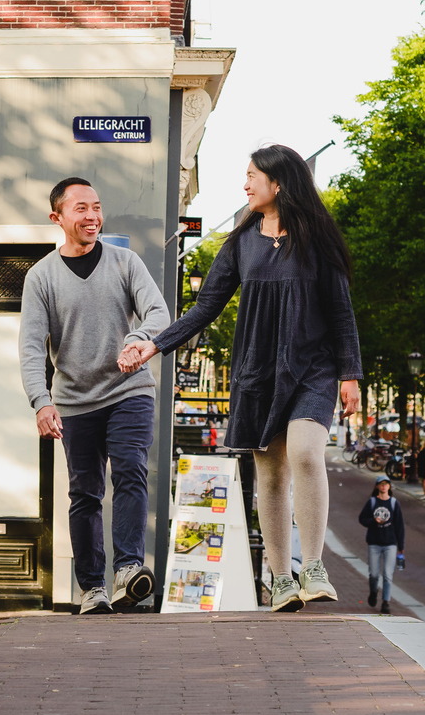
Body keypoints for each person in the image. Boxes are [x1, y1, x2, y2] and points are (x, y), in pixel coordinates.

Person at [120, 143, 362, 613]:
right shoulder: (241, 243)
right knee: (270, 474)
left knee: (307, 453)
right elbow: (206, 306)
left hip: (313, 369)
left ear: (279, 183)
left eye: (252, 175)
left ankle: (311, 565)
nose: (245, 183)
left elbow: (341, 313)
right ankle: (280, 578)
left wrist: (350, 374)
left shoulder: (318, 240)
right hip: (258, 371)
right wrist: (155, 344)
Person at [19, 177, 169, 615]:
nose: (92, 217)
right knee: (84, 493)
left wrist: (138, 338)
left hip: (130, 390)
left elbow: (158, 313)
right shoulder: (41, 277)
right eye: (81, 208)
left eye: (97, 207)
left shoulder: (125, 262)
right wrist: (41, 401)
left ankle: (127, 569)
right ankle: (92, 588)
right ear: (58, 217)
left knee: (130, 470)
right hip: (75, 401)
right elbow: (31, 346)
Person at [358, 477, 404, 614]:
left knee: (388, 574)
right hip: (374, 543)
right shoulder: (372, 502)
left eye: (386, 485)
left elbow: (399, 526)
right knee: (373, 574)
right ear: (377, 487)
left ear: (389, 487)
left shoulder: (394, 503)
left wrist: (401, 546)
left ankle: (386, 602)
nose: (384, 487)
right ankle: (373, 592)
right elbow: (362, 518)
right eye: (381, 484)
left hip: (390, 544)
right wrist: (373, 521)